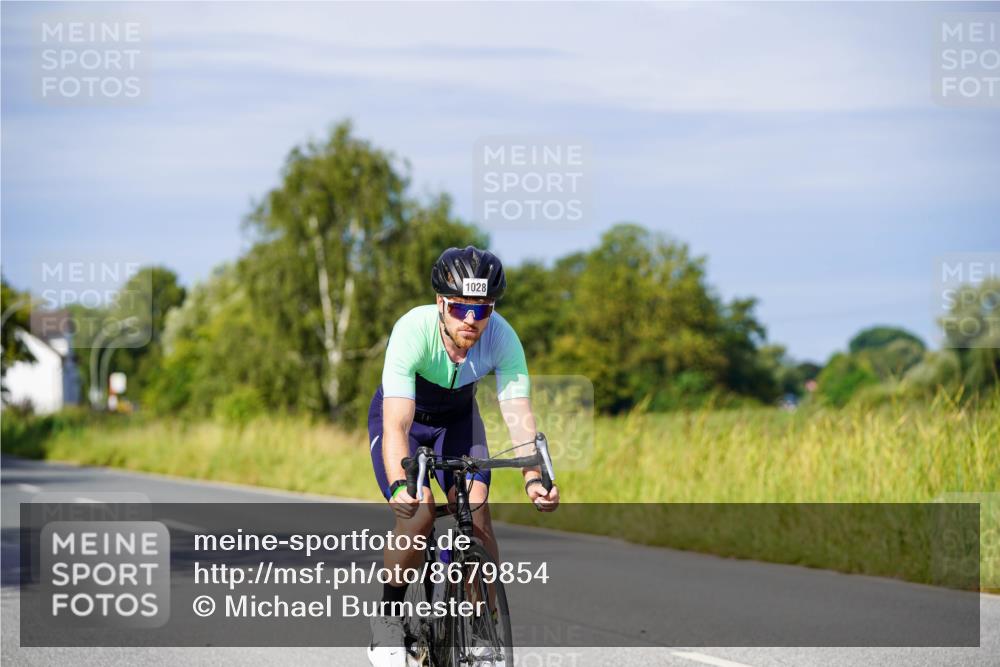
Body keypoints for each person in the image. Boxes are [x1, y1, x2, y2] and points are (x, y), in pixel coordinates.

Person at [367, 245, 560, 666]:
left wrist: (533, 478)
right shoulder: (412, 330)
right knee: (418, 515)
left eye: (483, 308)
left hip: (457, 421)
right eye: (459, 308)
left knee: (477, 511)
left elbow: (518, 415)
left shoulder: (502, 337)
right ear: (441, 302)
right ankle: (388, 620)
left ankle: (480, 625)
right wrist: (402, 485)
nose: (471, 320)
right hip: (407, 418)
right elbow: (397, 424)